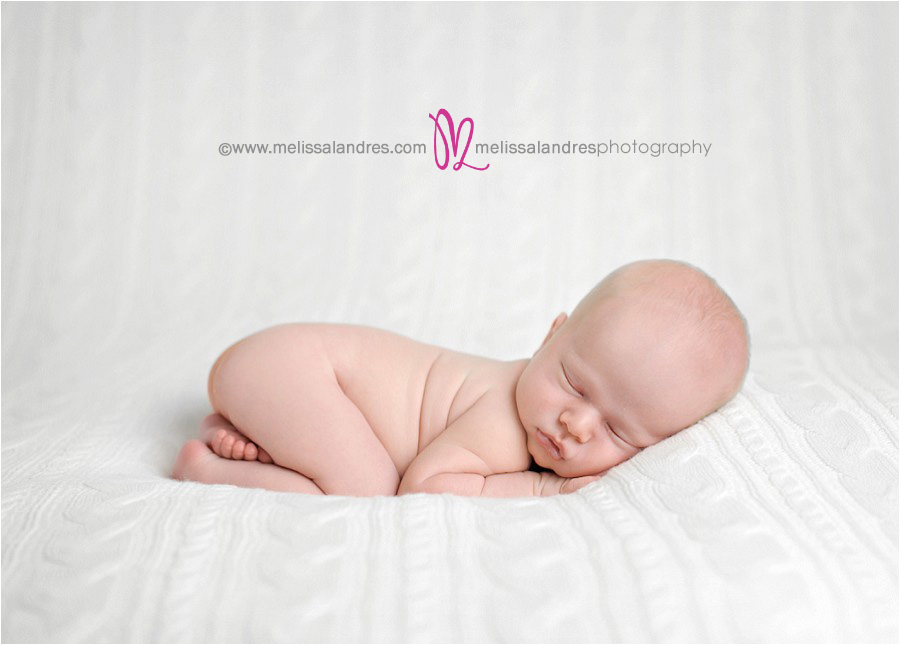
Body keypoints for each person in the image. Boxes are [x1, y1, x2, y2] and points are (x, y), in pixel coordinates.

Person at [172, 259, 749, 497]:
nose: (575, 425)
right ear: (551, 336)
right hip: (294, 368)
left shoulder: (539, 414)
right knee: (368, 490)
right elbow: (427, 484)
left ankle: (255, 431)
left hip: (280, 375)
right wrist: (540, 488)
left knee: (348, 457)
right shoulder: (502, 418)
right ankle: (210, 468)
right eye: (574, 385)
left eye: (620, 432)